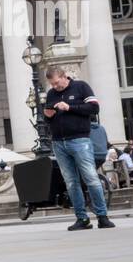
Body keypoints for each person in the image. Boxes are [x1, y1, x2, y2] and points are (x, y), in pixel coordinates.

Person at [43, 65, 114, 230]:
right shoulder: (51, 94)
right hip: (59, 142)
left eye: (56, 83)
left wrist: (69, 107)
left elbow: (94, 108)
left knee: (90, 178)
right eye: (52, 84)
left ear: (63, 76)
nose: (55, 87)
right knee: (71, 182)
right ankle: (82, 219)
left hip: (80, 140)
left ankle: (102, 216)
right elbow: (47, 119)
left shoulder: (81, 87)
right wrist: (48, 115)